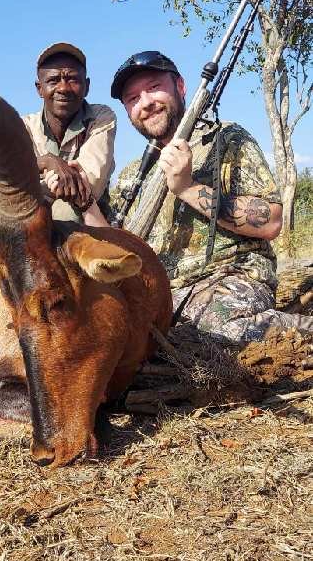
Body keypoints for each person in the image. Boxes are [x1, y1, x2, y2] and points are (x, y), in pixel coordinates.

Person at [110, 50, 313, 343]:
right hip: (162, 295)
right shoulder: (132, 174)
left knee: (213, 325)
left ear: (180, 86)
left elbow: (270, 221)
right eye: (132, 99)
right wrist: (84, 202)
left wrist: (187, 188)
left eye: (154, 87)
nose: (146, 103)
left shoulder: (227, 138)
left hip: (229, 279)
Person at [22, 42, 116, 225]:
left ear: (87, 86)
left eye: (73, 79)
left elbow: (88, 184)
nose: (63, 88)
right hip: (34, 218)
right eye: (53, 80)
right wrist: (47, 161)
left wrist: (30, 183)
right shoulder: (24, 126)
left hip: (90, 214)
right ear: (39, 88)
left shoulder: (101, 117)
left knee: (65, 211)